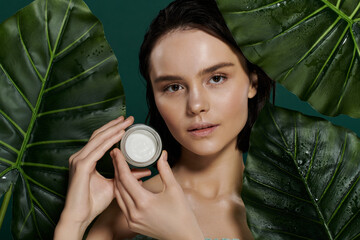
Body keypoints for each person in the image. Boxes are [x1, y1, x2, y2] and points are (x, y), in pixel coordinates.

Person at [54, 0, 274, 239]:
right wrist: (73, 222)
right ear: (156, 98)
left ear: (253, 82)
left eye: (217, 78)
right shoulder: (132, 209)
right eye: (174, 87)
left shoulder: (294, 203)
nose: (196, 105)